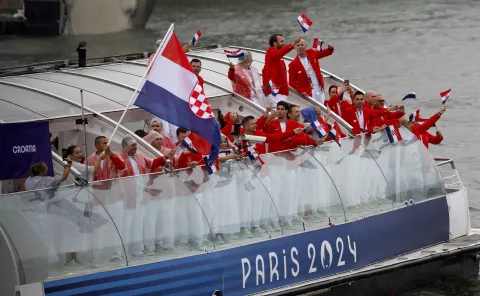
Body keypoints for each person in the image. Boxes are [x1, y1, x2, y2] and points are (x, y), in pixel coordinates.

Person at [288, 39, 334, 104]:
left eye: (302, 45)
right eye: (298, 45)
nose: (300, 46)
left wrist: (330, 49)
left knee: (322, 110)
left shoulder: (312, 53)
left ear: (305, 46)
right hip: (308, 92)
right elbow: (291, 82)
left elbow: (325, 52)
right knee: (314, 111)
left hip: (319, 89)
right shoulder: (293, 64)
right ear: (295, 47)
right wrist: (301, 91)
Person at [264, 33, 301, 104]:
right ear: (274, 43)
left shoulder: (278, 58)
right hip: (275, 91)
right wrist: (293, 43)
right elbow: (279, 53)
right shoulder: (270, 51)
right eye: (282, 41)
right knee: (277, 113)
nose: (284, 43)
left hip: (281, 91)